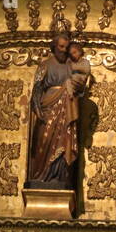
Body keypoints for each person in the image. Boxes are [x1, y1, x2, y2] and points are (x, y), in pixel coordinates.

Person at [27, 33, 91, 189]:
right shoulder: (45, 65)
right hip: (48, 106)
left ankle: (61, 177)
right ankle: (41, 176)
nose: (64, 50)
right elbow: (37, 88)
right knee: (45, 140)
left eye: (66, 47)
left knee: (64, 142)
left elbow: (80, 85)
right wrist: (36, 107)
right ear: (54, 47)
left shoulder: (71, 65)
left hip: (66, 107)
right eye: (61, 47)